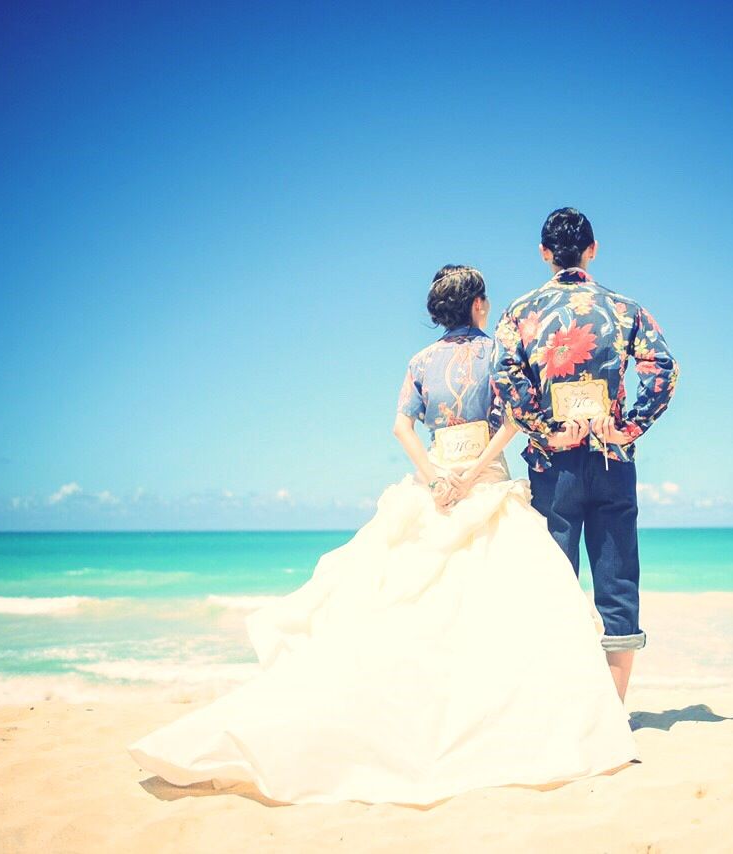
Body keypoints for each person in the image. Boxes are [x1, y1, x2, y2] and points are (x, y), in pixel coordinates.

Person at [126, 264, 637, 806]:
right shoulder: (496, 353)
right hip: (483, 485)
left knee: (416, 612)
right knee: (500, 613)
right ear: (480, 306)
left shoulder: (420, 362)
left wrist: (435, 476)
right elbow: (515, 419)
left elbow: (401, 426)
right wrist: (473, 473)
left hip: (434, 487)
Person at [491, 208, 678, 702]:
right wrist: (628, 426)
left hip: (552, 468)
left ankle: (561, 710)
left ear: (545, 254)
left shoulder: (519, 312)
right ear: (593, 250)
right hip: (613, 462)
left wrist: (546, 431)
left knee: (552, 588)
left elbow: (505, 378)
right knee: (617, 585)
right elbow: (664, 369)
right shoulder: (624, 309)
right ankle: (614, 714)